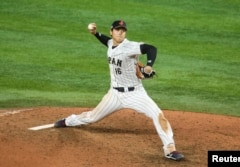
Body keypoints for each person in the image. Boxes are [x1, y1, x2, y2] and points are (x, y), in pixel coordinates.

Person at [54, 20, 184, 161]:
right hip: (114, 94)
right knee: (92, 117)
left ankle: (170, 148)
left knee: (158, 114)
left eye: (123, 30)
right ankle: (69, 121)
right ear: (112, 31)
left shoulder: (130, 46)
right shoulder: (111, 43)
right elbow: (107, 42)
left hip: (135, 94)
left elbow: (151, 48)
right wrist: (95, 33)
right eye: (117, 29)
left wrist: (148, 65)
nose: (120, 32)